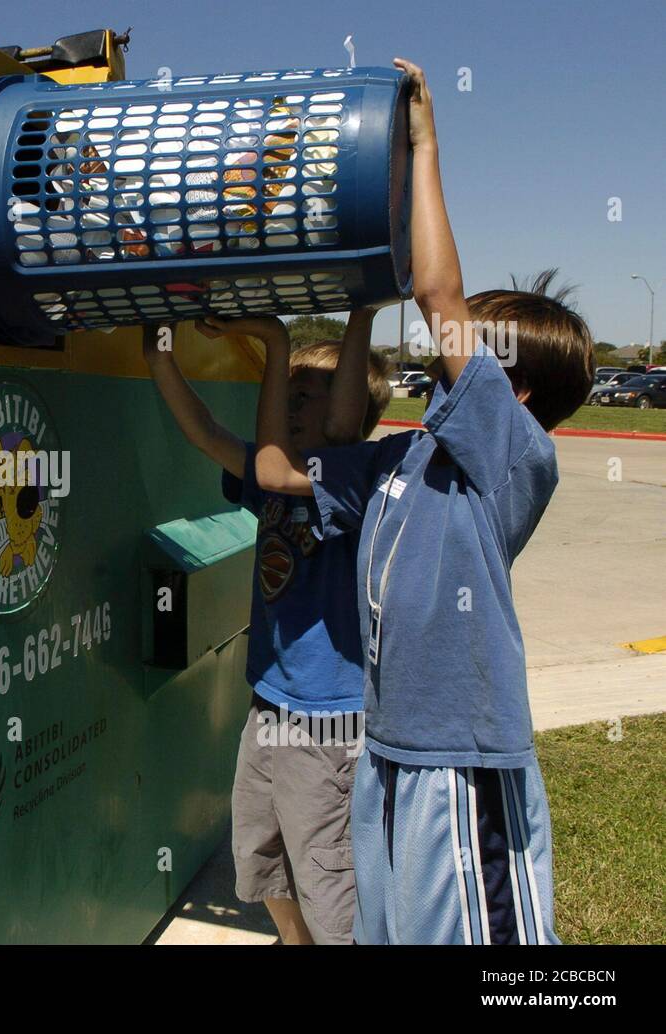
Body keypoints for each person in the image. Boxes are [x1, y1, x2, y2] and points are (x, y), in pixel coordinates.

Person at [250, 58, 595, 943]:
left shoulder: (512, 459)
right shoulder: (403, 459)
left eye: (477, 354)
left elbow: (439, 300)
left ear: (508, 394)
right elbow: (284, 474)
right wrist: (279, 344)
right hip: (389, 751)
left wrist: (422, 149)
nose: (451, 356)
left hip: (459, 759)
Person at [142, 311, 391, 944]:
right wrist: (160, 354)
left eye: (308, 394)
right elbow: (203, 429)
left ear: (353, 407)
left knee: (325, 871)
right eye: (289, 392)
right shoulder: (269, 479)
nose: (290, 403)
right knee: (259, 854)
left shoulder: (352, 484)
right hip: (271, 705)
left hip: (330, 719)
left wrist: (275, 340)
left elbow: (328, 437)